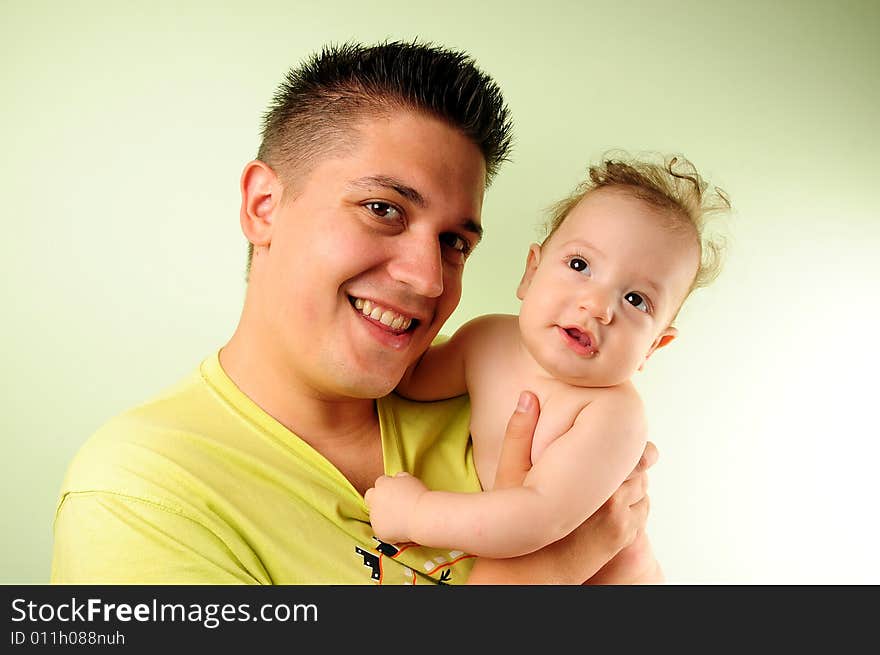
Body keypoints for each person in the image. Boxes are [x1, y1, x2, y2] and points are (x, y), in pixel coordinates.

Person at [51, 41, 657, 585]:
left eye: (455, 243)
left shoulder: (504, 404)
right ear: (264, 205)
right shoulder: (140, 496)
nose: (427, 278)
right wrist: (536, 578)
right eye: (383, 209)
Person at [366, 154, 729, 583]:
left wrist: (418, 514)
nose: (597, 306)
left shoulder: (612, 415)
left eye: (635, 300)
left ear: (654, 346)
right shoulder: (485, 341)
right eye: (580, 266)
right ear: (530, 273)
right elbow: (403, 380)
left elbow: (536, 517)